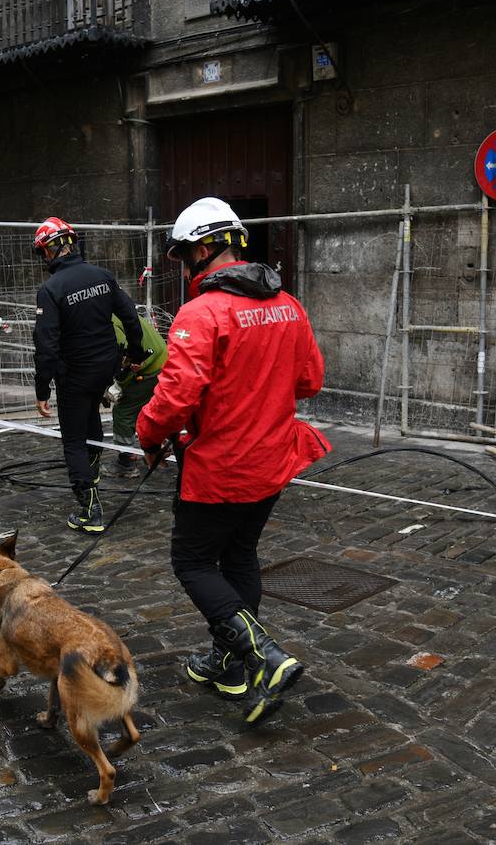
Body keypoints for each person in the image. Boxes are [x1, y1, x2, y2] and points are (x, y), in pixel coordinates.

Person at [137, 197, 329, 725]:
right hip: (273, 463)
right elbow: (310, 380)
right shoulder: (289, 304)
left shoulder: (202, 312)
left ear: (204, 248)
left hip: (222, 466)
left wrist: (146, 431)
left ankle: (262, 657)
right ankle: (229, 662)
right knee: (239, 557)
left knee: (193, 562)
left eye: (181, 256)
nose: (181, 266)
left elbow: (176, 395)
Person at [32, 217, 148, 533]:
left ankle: (89, 509)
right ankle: (93, 479)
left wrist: (42, 389)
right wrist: (134, 353)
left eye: (43, 253)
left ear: (50, 251)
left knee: (73, 440)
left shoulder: (51, 289)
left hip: (75, 375)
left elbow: (46, 344)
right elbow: (130, 316)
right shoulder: (102, 276)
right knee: (92, 422)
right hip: (105, 369)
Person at [106, 311, 167, 477]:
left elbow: (123, 356)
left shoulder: (107, 322)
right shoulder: (119, 312)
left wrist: (119, 384)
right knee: (151, 410)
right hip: (162, 361)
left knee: (124, 412)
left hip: (148, 368)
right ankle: (158, 450)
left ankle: (126, 462)